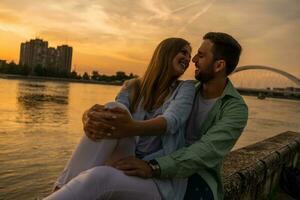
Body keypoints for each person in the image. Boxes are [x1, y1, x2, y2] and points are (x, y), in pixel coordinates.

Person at [83, 32, 249, 200]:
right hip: (155, 162)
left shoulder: (235, 108)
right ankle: (67, 184)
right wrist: (90, 117)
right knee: (98, 178)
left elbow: (205, 152)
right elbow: (125, 112)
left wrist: (154, 167)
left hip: (196, 176)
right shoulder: (186, 90)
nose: (193, 61)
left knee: (101, 181)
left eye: (201, 55)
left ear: (219, 65)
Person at [44, 37, 195, 200]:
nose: (188, 59)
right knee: (113, 109)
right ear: (166, 53)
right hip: (126, 160)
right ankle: (58, 192)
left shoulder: (185, 88)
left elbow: (171, 121)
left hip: (157, 180)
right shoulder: (132, 86)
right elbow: (112, 115)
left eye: (189, 55)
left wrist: (130, 127)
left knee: (99, 178)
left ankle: (58, 192)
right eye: (183, 52)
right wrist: (87, 116)